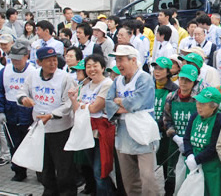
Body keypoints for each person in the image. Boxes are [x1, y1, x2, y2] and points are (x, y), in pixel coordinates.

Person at [17, 47, 77, 195]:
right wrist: (24, 99)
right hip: (40, 128)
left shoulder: (65, 78)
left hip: (61, 129)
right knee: (45, 167)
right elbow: (22, 92)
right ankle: (49, 191)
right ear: (39, 62)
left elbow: (67, 104)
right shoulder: (32, 76)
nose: (53, 63)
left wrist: (51, 115)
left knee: (64, 168)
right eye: (48, 60)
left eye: (55, 60)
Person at [105, 45, 160, 195]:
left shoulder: (144, 79)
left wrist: (120, 102)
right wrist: (123, 106)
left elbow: (136, 102)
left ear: (133, 60)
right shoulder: (117, 81)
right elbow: (108, 104)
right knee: (129, 179)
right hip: (123, 133)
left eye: (121, 60)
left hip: (143, 132)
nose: (118, 65)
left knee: (147, 177)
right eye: (116, 60)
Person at [68, 54, 115, 195]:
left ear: (102, 67)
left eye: (95, 66)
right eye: (88, 66)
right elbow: (77, 109)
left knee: (100, 171)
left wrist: (82, 105)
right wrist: (74, 100)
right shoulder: (84, 84)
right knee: (93, 168)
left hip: (101, 132)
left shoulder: (107, 83)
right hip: (86, 130)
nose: (92, 69)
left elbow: (96, 108)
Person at [0, 40, 37, 181]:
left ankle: (39, 172)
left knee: (31, 144)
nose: (15, 61)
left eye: (18, 58)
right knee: (14, 144)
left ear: (26, 56)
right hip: (11, 112)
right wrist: (1, 111)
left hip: (28, 112)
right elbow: (1, 92)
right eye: (13, 58)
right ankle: (18, 172)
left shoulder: (33, 72)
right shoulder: (5, 71)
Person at [163, 64, 200, 194]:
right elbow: (166, 120)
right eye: (182, 79)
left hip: (193, 144)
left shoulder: (198, 100)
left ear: (194, 82)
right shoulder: (171, 97)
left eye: (188, 80)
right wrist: (175, 137)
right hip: (175, 143)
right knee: (171, 176)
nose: (184, 83)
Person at [183, 87, 221, 195]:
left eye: (203, 104)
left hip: (210, 167)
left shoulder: (219, 120)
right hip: (193, 164)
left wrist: (197, 160)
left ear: (213, 106)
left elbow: (214, 146)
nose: (198, 106)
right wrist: (190, 155)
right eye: (198, 102)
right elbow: (186, 138)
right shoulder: (194, 117)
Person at [150, 57, 179, 178]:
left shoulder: (174, 89)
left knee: (167, 165)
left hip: (165, 133)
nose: (157, 71)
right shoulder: (149, 85)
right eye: (155, 68)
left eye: (161, 69)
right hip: (149, 131)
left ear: (168, 72)